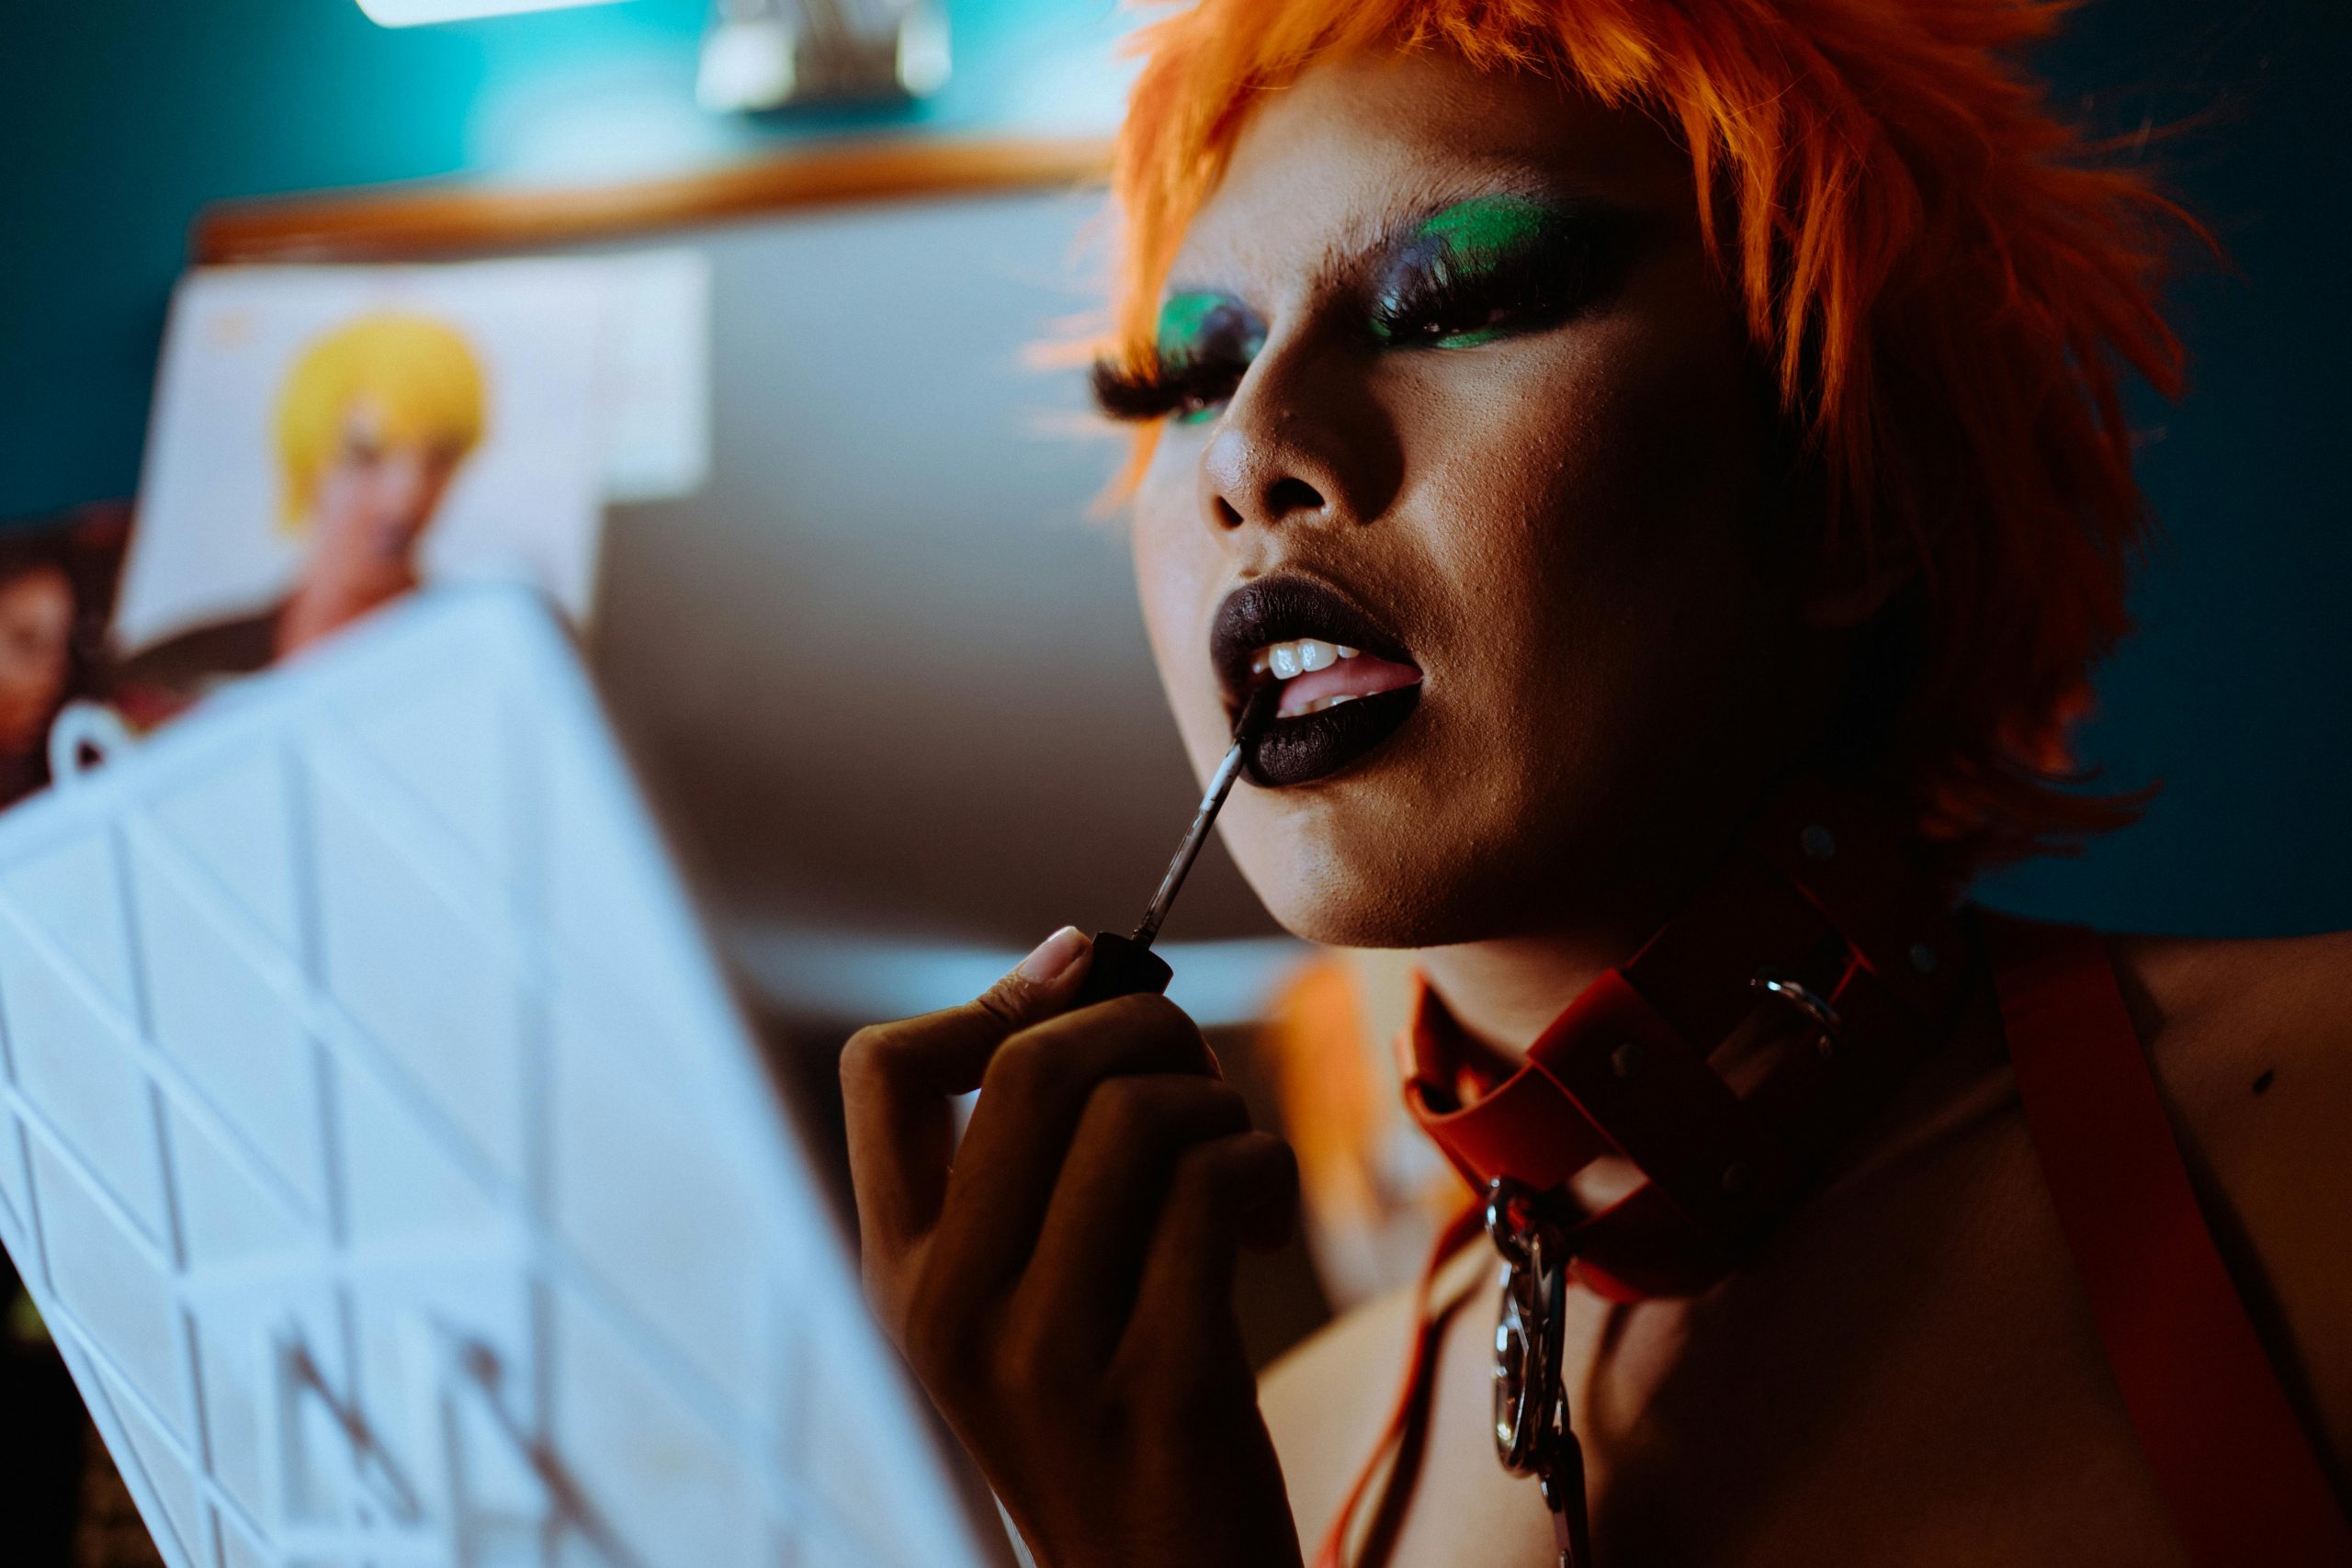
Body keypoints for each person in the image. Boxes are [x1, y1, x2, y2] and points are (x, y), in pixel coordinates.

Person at [839, 3, 2352, 1565]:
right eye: (1190, 371)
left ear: (1845, 482)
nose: (1250, 447)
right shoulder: (1254, 1447)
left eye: (1464, 297)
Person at [116, 311, 486, 702]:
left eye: (439, 457)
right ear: (306, 460)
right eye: (365, 455)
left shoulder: (485, 666)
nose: (404, 498)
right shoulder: (177, 670)